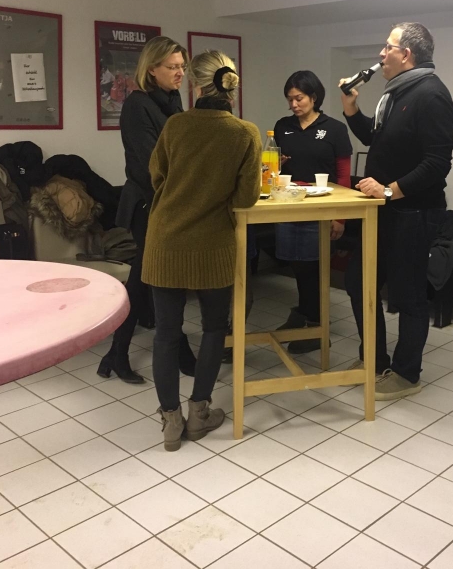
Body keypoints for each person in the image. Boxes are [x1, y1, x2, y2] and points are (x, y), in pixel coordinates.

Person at [142, 50, 261, 450]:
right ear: (232, 84)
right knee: (213, 328)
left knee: (166, 333)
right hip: (213, 244)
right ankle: (199, 413)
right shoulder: (245, 133)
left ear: (195, 83)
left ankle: (170, 422)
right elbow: (245, 198)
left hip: (165, 241)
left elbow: (157, 175)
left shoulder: (175, 125)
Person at [340, 22, 453, 400]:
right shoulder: (395, 93)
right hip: (384, 210)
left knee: (408, 296)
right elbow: (377, 140)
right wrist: (351, 109)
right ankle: (373, 361)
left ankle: (407, 374)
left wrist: (389, 190)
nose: (381, 53)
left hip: (414, 213)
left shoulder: (432, 95)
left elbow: (437, 163)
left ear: (406, 54)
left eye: (387, 47)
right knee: (359, 283)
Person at [98, 37, 196, 384]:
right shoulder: (137, 105)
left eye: (182, 67)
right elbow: (150, 164)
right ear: (152, 69)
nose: (180, 73)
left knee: (152, 279)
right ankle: (129, 352)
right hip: (148, 203)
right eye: (172, 67)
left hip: (169, 201)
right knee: (148, 279)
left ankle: (117, 354)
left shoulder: (173, 101)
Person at [274, 70, 352, 353]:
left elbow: (344, 175)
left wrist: (339, 216)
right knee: (296, 264)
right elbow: (273, 165)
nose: (294, 104)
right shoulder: (283, 126)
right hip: (290, 206)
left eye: (299, 98)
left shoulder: (334, 129)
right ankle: (303, 316)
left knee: (315, 268)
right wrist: (277, 164)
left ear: (314, 97)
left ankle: (317, 327)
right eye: (290, 99)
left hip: (322, 208)